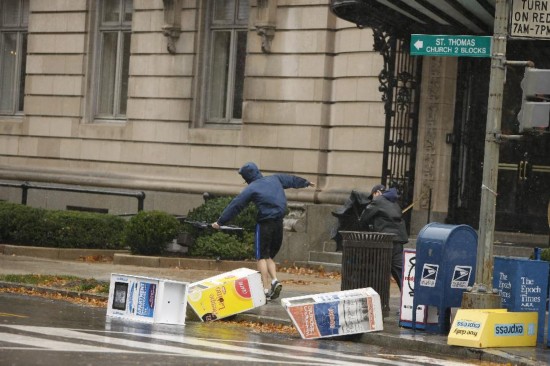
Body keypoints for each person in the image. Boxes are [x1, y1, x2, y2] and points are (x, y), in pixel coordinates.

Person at [212, 162, 315, 301]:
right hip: (279, 222)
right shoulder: (275, 179)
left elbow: (236, 205)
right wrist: (306, 183)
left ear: (247, 177)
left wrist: (220, 222)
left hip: (265, 223)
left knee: (261, 256)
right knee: (269, 256)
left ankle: (265, 289)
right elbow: (290, 179)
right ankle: (275, 280)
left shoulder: (251, 188)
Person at [360, 184, 408, 292]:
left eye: (372, 196)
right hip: (398, 240)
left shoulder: (378, 200)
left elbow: (364, 217)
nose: (372, 198)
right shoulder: (394, 201)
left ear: (377, 193)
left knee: (379, 272)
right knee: (401, 273)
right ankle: (409, 300)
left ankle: (380, 300)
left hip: (385, 242)